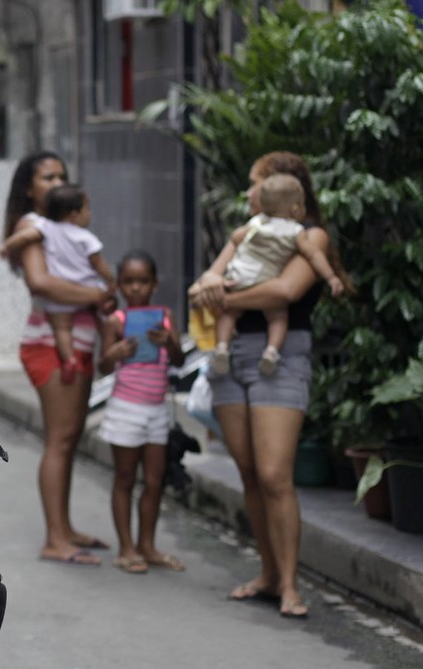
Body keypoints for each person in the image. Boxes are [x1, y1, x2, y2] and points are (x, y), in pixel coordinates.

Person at [189, 150, 349, 620]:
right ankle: (269, 575)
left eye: (254, 183)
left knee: (276, 475)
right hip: (230, 354)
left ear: (280, 185)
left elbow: (284, 292)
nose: (247, 192)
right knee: (250, 473)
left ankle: (291, 586)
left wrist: (226, 296)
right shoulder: (251, 230)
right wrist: (212, 288)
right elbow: (205, 284)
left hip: (279, 356)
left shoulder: (309, 233)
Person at [3, 151, 115, 566]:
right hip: (51, 344)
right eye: (48, 178)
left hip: (77, 341)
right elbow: (41, 282)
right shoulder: (32, 226)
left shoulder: (59, 227)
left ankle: (64, 529)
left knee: (68, 440)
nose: (57, 183)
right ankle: (55, 538)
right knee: (60, 439)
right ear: (30, 190)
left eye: (62, 176)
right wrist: (99, 294)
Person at [195, 173, 347, 377]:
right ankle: (272, 351)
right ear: (295, 208)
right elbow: (314, 255)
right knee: (278, 317)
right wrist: (331, 277)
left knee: (228, 315)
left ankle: (222, 347)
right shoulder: (296, 231)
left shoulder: (256, 223)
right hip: (263, 280)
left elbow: (236, 237)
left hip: (238, 276)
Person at [97, 250, 186, 574]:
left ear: (154, 284)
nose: (136, 288)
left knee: (154, 480)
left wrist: (168, 343)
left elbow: (178, 361)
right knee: (124, 478)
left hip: (156, 411)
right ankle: (127, 548)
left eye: (143, 282)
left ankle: (147, 545)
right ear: (120, 286)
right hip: (125, 408)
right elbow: (102, 366)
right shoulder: (115, 321)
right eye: (129, 282)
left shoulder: (165, 316)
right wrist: (115, 352)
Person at [0, 183, 115, 383]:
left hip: (58, 297)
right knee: (106, 320)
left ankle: (69, 358)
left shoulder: (46, 227)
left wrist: (6, 247)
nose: (90, 214)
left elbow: (25, 236)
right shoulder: (86, 238)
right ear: (74, 214)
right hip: (86, 291)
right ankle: (106, 355)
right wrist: (111, 281)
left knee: (62, 329)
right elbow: (98, 264)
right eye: (87, 209)